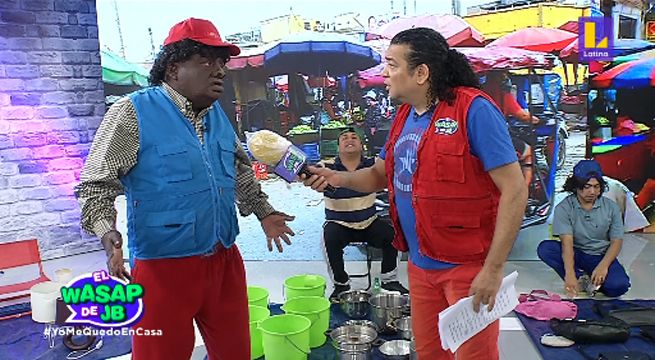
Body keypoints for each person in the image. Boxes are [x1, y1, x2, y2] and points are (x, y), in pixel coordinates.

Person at [74, 18, 295, 360]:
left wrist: (264, 212)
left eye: (222, 62)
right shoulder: (132, 113)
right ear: (174, 68)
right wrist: (108, 234)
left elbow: (238, 170)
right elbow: (95, 185)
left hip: (224, 262)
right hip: (163, 270)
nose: (220, 70)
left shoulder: (218, 115)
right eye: (207, 61)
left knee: (235, 352)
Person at [302, 28, 527, 359]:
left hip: (467, 268)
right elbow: (379, 175)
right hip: (420, 267)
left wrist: (492, 270)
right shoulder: (404, 116)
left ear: (421, 73)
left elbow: (515, 189)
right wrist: (334, 177)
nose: (385, 73)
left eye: (392, 65)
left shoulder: (474, 110)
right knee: (429, 353)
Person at [322, 127, 408, 300]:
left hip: (369, 222)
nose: (349, 139)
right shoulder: (325, 167)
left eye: (354, 137)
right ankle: (341, 284)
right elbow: (304, 174)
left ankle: (389, 280)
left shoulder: (374, 165)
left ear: (362, 145)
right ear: (338, 147)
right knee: (328, 236)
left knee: (393, 234)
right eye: (344, 138)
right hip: (339, 224)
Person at [537, 160, 630, 298]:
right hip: (576, 252)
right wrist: (570, 274)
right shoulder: (564, 208)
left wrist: (603, 266)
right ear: (576, 186)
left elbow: (617, 241)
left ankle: (595, 279)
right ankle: (581, 278)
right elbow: (566, 242)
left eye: (596, 187)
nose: (592, 192)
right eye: (587, 187)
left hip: (600, 255)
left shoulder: (611, 207)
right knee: (545, 248)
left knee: (619, 287)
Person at [482, 71, 541, 188]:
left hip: (479, 138)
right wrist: (538, 120)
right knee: (528, 152)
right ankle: (524, 190)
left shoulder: (480, 92)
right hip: (495, 139)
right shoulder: (503, 95)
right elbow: (522, 116)